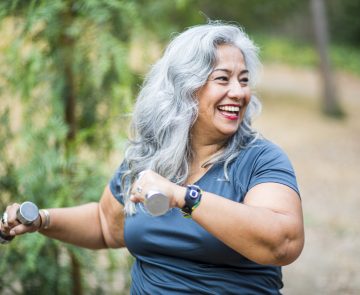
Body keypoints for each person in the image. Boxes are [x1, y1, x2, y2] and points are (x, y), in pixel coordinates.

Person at [0, 22, 304, 294]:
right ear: (185, 88)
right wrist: (42, 219)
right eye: (223, 79)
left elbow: (283, 243)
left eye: (244, 80)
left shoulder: (261, 160)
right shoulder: (150, 156)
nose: (239, 92)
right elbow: (106, 224)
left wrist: (185, 197)